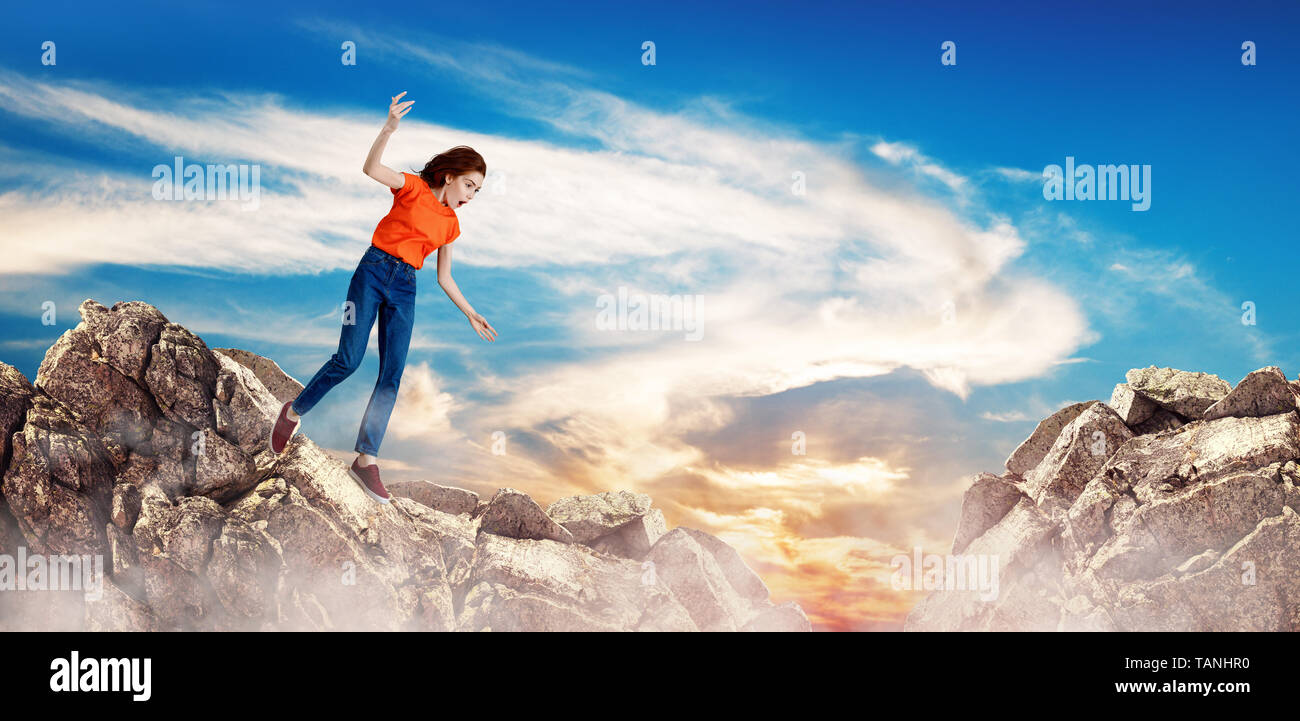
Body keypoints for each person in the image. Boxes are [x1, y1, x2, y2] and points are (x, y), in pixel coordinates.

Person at [269, 91, 498, 504]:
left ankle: (365, 458)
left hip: (406, 286)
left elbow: (445, 277)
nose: (471, 195)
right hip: (373, 271)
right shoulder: (411, 188)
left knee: (391, 374)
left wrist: (471, 312)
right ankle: (293, 411)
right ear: (449, 176)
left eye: (478, 190)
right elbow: (371, 168)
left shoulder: (451, 226)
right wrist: (388, 129)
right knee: (349, 360)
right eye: (469, 184)